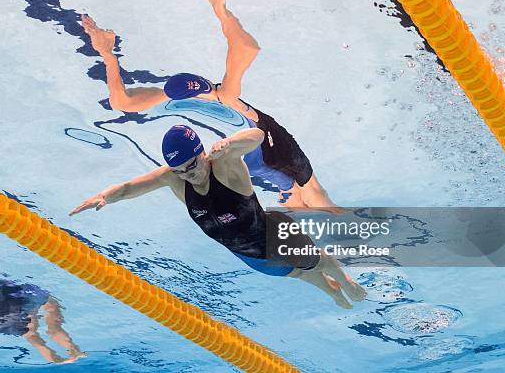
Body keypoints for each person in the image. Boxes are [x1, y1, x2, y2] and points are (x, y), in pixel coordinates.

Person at [80, 0, 342, 212]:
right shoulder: (171, 97)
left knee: (315, 197)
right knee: (293, 201)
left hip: (269, 142)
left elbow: (249, 49)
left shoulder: (219, 95)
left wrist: (221, 11)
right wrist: (107, 55)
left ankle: (353, 238)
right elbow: (120, 102)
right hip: (249, 161)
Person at [70, 125, 365, 308]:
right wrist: (106, 195)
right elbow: (128, 187)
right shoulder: (174, 178)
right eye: (180, 170)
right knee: (305, 275)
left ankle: (347, 283)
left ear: (202, 153)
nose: (190, 174)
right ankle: (334, 292)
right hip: (250, 256)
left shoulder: (224, 164)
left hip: (274, 235)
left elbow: (258, 136)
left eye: (193, 164)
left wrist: (232, 142)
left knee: (318, 262)